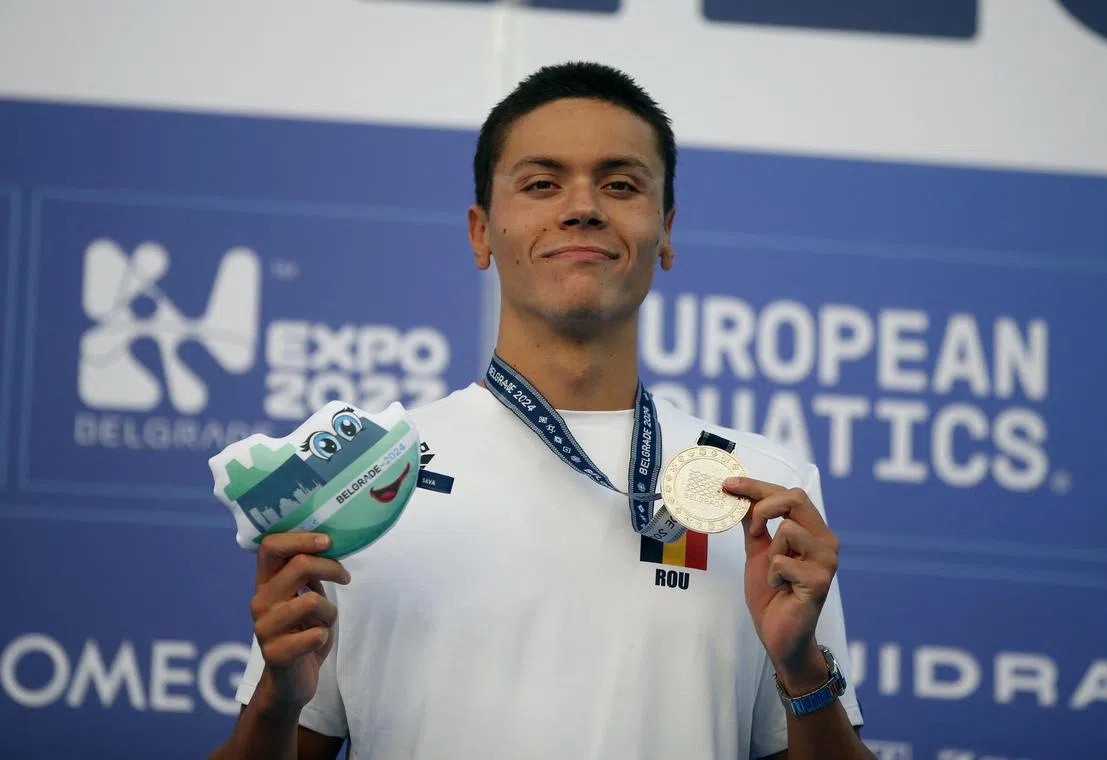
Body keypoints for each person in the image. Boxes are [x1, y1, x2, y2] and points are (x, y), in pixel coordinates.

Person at [211, 61, 873, 760]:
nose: (582, 206)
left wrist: (802, 670)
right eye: (541, 184)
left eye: (621, 184)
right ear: (480, 232)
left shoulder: (758, 488)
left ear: (667, 230)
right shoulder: (362, 485)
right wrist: (277, 706)